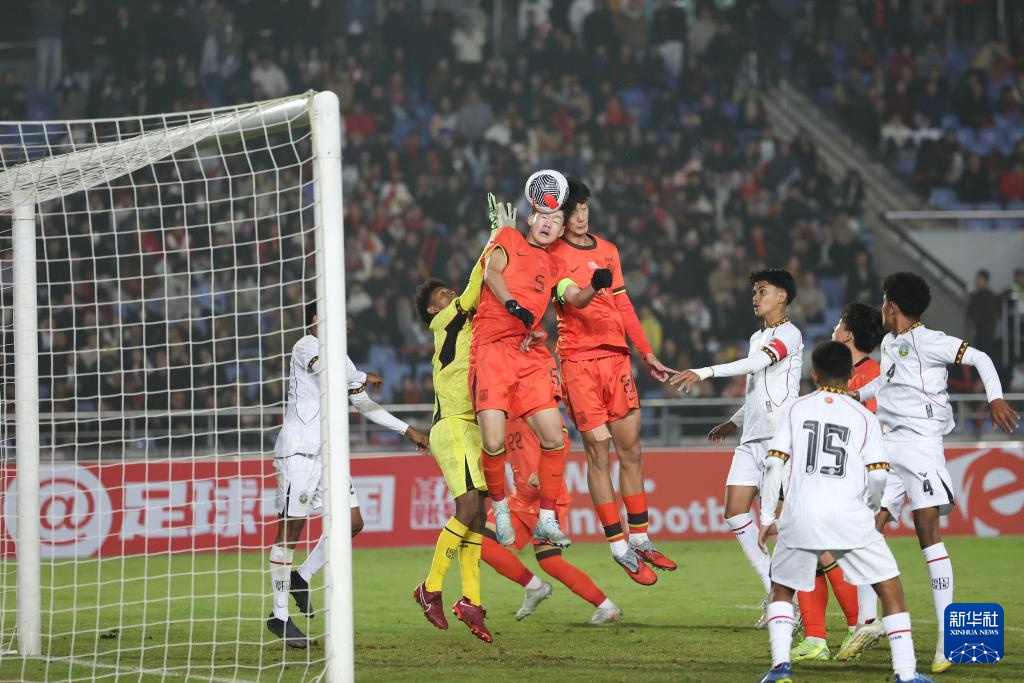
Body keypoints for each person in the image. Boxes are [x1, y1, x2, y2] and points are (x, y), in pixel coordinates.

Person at [845, 273, 1020, 672]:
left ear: (892, 306)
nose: (882, 309)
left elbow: (981, 358)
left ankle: (946, 638)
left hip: (922, 446)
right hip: (888, 444)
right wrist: (857, 394)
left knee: (927, 532)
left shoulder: (931, 341)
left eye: (884, 302)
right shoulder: (889, 343)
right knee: (867, 526)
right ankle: (868, 622)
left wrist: (994, 398)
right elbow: (885, 384)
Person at [756, 341, 933, 683]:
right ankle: (906, 673)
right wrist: (872, 508)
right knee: (889, 587)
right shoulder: (864, 417)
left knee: (782, 588)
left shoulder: (795, 409)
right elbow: (878, 474)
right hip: (849, 515)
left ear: (814, 374)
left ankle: (780, 668)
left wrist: (766, 517)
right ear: (851, 375)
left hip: (800, 513)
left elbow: (774, 464)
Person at [267, 304, 429, 648]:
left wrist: (407, 430)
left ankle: (301, 576)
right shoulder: (306, 346)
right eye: (337, 317)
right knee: (290, 530)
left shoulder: (343, 361)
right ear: (316, 320)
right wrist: (362, 376)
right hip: (299, 451)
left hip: (329, 456)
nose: (345, 323)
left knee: (352, 522)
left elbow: (364, 404)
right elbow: (327, 372)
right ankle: (279, 616)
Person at [472, 172, 610, 549]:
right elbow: (491, 273)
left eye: (556, 220)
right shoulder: (508, 238)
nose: (549, 224)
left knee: (554, 439)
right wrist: (512, 305)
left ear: (561, 229)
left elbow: (575, 298)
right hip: (491, 350)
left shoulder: (554, 266)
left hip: (527, 353)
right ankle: (500, 508)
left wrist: (595, 285)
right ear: (531, 217)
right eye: (544, 217)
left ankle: (547, 518)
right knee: (493, 442)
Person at [548, 178, 676, 585]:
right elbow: (574, 298)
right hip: (578, 362)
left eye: (584, 208)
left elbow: (623, 304)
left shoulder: (608, 250)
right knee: (598, 451)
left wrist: (646, 352)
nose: (581, 216)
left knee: (631, 449)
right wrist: (594, 285)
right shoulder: (552, 255)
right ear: (560, 217)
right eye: (573, 211)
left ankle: (640, 538)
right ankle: (619, 546)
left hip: (617, 359)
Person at [670, 269, 803, 628]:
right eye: (754, 291)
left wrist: (705, 371)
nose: (755, 297)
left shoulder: (790, 334)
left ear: (782, 297)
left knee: (779, 523)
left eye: (762, 291)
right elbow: (756, 387)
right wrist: (734, 420)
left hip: (780, 438)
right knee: (734, 512)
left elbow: (758, 364)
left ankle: (791, 602)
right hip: (752, 438)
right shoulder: (756, 337)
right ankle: (776, 591)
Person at [408, 194, 512, 643]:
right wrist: (495, 236)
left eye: (447, 292)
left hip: (469, 425)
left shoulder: (468, 326)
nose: (449, 295)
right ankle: (430, 587)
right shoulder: (445, 322)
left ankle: (471, 599)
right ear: (434, 309)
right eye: (441, 295)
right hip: (451, 425)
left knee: (475, 515)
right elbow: (475, 284)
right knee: (468, 509)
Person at [791, 302, 884, 662]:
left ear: (848, 334)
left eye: (839, 324)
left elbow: (867, 433)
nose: (834, 328)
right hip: (826, 479)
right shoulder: (842, 374)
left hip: (851, 483)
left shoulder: (873, 376)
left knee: (825, 552)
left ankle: (856, 626)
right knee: (810, 555)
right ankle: (817, 639)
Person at [480, 417, 622, 625]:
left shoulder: (530, 406)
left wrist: (543, 470)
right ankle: (535, 587)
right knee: (482, 542)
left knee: (550, 562)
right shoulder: (500, 415)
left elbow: (561, 439)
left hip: (548, 497)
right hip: (521, 499)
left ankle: (607, 607)